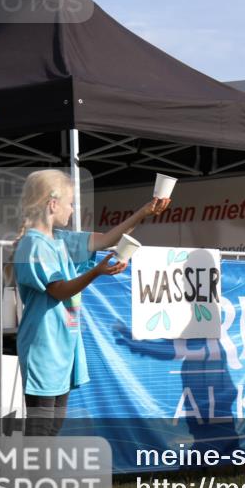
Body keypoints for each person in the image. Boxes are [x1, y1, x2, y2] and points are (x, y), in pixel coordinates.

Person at [12, 170, 171, 436]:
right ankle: (31, 478)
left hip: (62, 348)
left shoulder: (60, 240)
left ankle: (41, 477)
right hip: (44, 348)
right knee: (39, 434)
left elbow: (109, 239)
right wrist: (95, 272)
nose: (73, 210)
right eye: (70, 203)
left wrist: (144, 213)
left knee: (51, 431)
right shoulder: (33, 244)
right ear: (52, 204)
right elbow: (59, 290)